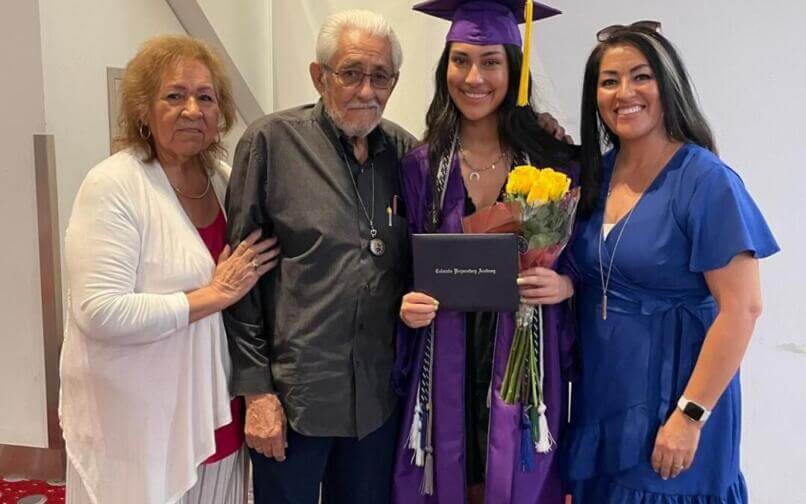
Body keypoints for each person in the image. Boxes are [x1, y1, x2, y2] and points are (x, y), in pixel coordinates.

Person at [562, 22, 779, 503]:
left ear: (669, 84)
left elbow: (742, 309)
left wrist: (690, 415)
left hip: (671, 405)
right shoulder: (597, 175)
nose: (625, 93)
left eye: (641, 77)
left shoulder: (706, 181)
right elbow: (596, 269)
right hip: (604, 399)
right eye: (609, 80)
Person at [60, 35, 278, 504]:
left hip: (214, 412)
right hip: (141, 427)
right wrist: (214, 295)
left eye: (206, 97)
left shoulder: (221, 178)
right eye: (174, 95)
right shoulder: (114, 184)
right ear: (143, 109)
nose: (192, 110)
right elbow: (100, 313)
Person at [223, 10, 419, 504]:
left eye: (381, 77)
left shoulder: (406, 155)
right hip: (294, 402)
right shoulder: (270, 144)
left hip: (377, 404)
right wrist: (257, 394)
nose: (366, 90)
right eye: (351, 73)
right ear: (319, 75)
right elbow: (239, 284)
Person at [393, 1, 578, 503]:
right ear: (444, 68)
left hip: (522, 360)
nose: (474, 77)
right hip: (444, 359)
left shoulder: (554, 163)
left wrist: (565, 285)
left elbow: (590, 264)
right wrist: (405, 305)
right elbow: (396, 272)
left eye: (491, 61)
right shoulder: (419, 167)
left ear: (514, 70)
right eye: (461, 60)